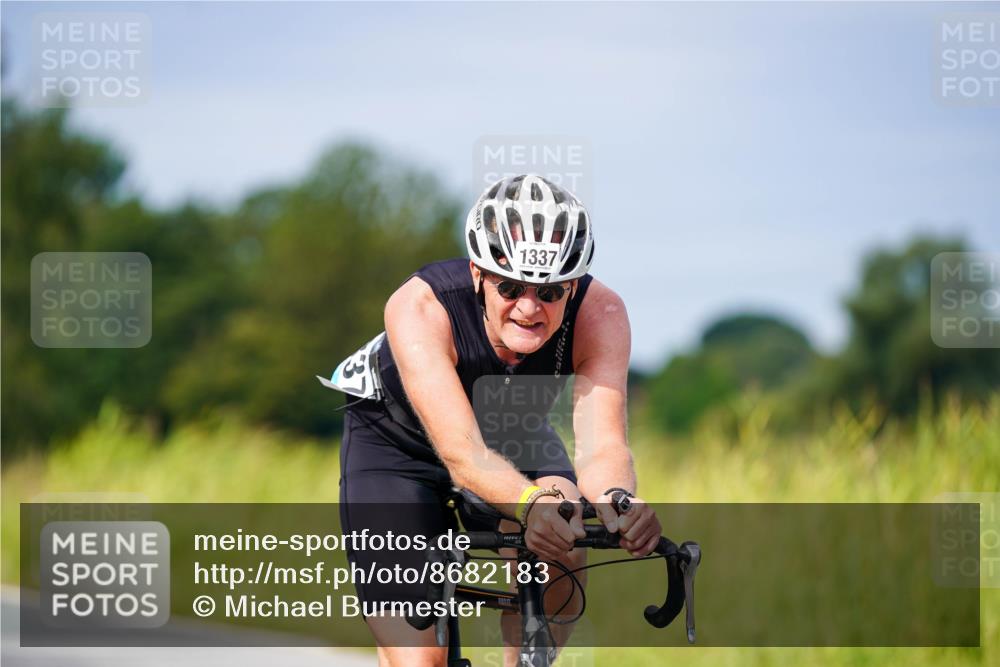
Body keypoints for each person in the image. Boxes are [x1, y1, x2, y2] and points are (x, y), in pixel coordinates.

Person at [331, 174, 662, 667]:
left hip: (511, 431)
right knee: (419, 659)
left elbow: (603, 446)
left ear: (572, 286)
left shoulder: (602, 313)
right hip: (396, 444)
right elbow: (462, 453)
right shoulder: (420, 306)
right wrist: (528, 505)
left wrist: (620, 502)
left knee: (565, 528)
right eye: (510, 287)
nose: (530, 308)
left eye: (550, 292)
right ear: (478, 274)